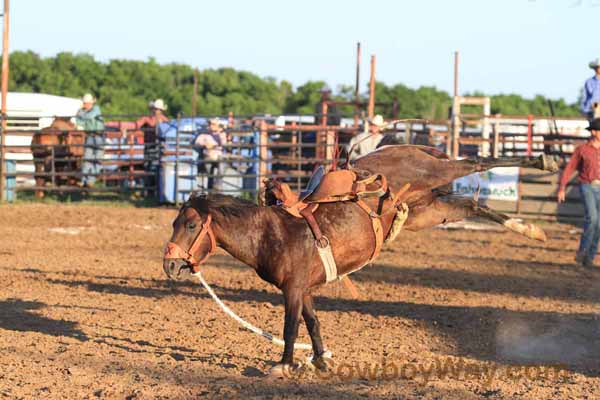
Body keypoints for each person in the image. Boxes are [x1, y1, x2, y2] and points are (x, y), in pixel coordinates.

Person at [558, 118, 600, 268]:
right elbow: (570, 168)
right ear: (594, 132)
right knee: (592, 218)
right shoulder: (582, 150)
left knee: (598, 224)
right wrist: (562, 187)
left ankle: (589, 257)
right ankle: (582, 251)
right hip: (587, 185)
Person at [75, 93, 105, 187]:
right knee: (87, 159)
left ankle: (90, 180)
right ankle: (85, 180)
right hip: (90, 136)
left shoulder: (96, 109)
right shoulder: (86, 112)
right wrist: (80, 115)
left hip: (98, 136)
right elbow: (78, 121)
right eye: (84, 103)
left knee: (97, 159)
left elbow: (86, 117)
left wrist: (80, 113)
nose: (85, 105)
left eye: (86, 103)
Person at [194, 118, 228, 190]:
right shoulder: (204, 133)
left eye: (214, 124)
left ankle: (217, 185)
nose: (212, 126)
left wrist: (220, 134)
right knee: (210, 174)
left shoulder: (222, 134)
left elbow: (224, 144)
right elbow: (197, 143)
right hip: (208, 155)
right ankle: (211, 190)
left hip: (219, 155)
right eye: (210, 124)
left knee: (222, 164)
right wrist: (205, 144)